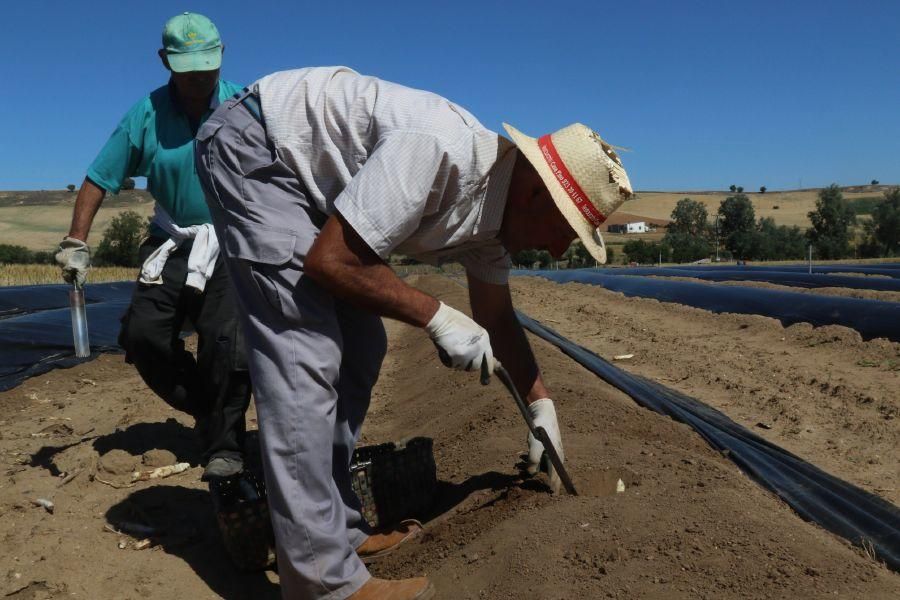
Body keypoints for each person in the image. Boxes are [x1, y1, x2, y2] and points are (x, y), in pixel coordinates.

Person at [195, 67, 632, 599]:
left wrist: (541, 404)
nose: (560, 252)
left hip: (310, 184)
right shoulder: (438, 152)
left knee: (361, 346)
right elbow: (332, 262)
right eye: (565, 232)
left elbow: (496, 316)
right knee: (304, 352)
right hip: (259, 149)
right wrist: (436, 315)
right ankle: (320, 581)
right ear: (536, 196)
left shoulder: (493, 226)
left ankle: (335, 533)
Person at [55, 13, 251, 481]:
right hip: (172, 240)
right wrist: (76, 240)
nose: (200, 78)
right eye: (188, 69)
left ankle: (226, 445)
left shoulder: (245, 109)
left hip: (231, 242)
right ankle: (208, 408)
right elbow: (98, 178)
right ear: (165, 61)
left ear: (221, 56)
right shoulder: (145, 114)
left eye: (208, 66)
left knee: (226, 342)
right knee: (143, 338)